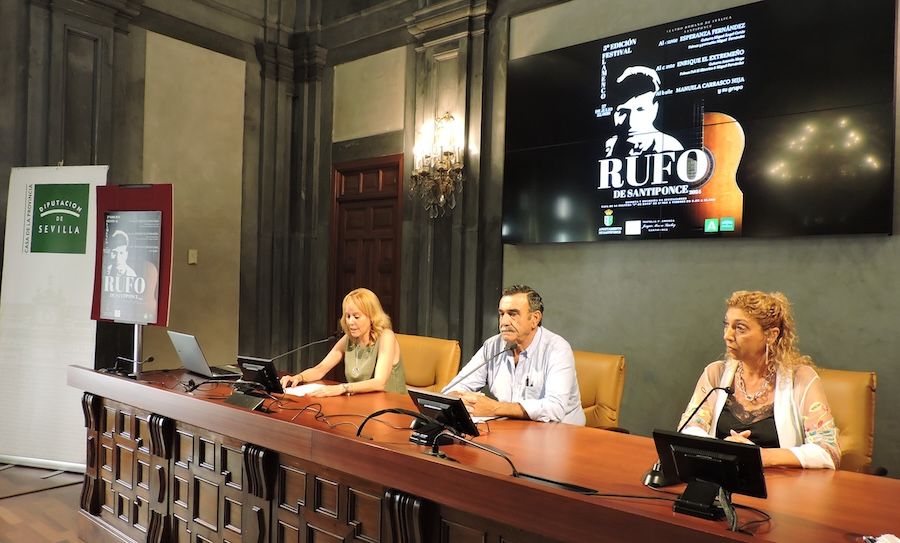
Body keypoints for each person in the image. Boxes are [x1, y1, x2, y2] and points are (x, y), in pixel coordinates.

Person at [679, 290, 840, 469]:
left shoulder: (801, 379)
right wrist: (725, 450)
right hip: (721, 477)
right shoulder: (715, 373)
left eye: (740, 328)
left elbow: (828, 450)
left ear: (771, 335)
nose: (727, 335)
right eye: (727, 325)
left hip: (780, 483)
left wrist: (760, 456)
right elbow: (689, 429)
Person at [442, 285, 585, 425]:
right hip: (512, 429)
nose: (504, 322)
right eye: (501, 314)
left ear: (535, 318)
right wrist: (462, 399)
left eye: (512, 314)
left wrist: (495, 408)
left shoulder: (557, 349)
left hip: (560, 432)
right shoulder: (492, 346)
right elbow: (452, 390)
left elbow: (555, 408)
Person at [279, 288, 406, 396]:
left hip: (392, 406)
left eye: (356, 316)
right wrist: (298, 377)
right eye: (348, 316)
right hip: (362, 404)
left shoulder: (386, 337)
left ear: (372, 317)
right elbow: (321, 369)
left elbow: (379, 382)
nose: (350, 322)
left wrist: (342, 388)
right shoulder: (348, 339)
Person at [604, 65, 684, 157]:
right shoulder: (609, 145)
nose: (630, 122)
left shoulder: (670, 146)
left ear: (655, 109)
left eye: (640, 109)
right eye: (622, 112)